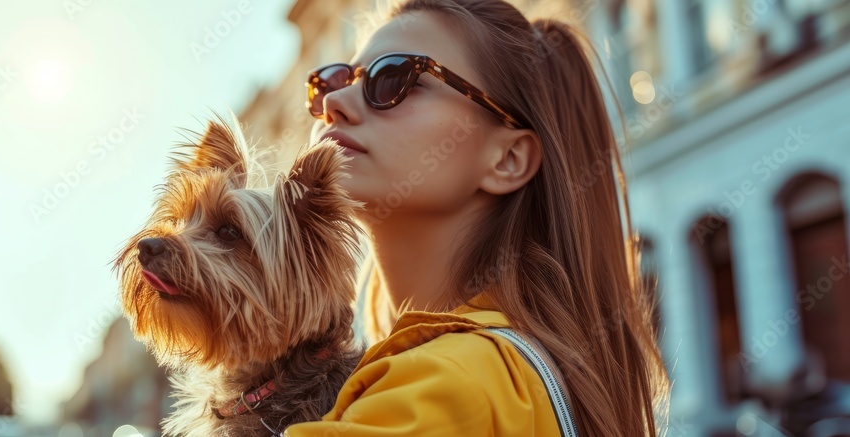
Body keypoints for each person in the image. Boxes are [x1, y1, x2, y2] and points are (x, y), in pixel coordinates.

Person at [283, 0, 669, 435]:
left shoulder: (447, 384)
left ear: (507, 159)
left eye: (394, 78)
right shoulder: (499, 374)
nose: (335, 101)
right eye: (332, 82)